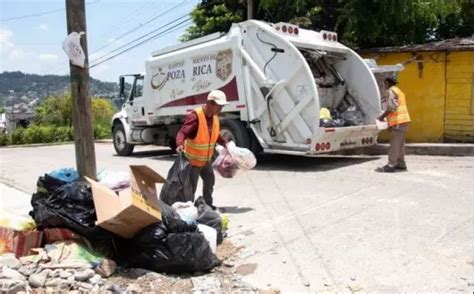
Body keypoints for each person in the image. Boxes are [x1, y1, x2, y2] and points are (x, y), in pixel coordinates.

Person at [175, 90, 228, 210]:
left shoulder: (215, 117)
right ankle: (188, 209)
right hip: (193, 161)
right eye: (219, 106)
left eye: (222, 106)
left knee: (210, 181)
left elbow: (215, 135)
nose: (221, 108)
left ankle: (208, 205)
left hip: (205, 160)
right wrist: (179, 144)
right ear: (210, 103)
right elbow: (183, 132)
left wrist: (226, 144)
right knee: (191, 187)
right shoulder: (195, 116)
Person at [376, 76, 411, 173]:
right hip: (404, 121)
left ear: (387, 83)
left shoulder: (391, 91)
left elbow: (391, 107)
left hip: (397, 122)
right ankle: (401, 164)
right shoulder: (399, 91)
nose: (384, 86)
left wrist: (382, 117)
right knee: (400, 145)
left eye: (384, 83)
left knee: (394, 145)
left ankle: (391, 165)